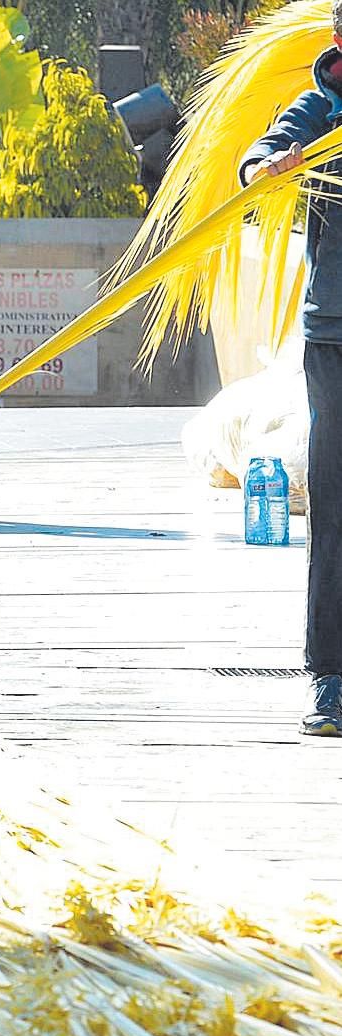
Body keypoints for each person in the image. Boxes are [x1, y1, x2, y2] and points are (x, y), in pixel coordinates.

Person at [242, 9, 342, 736]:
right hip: (336, 332)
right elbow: (260, 155)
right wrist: (266, 167)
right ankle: (332, 679)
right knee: (336, 509)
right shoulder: (320, 108)